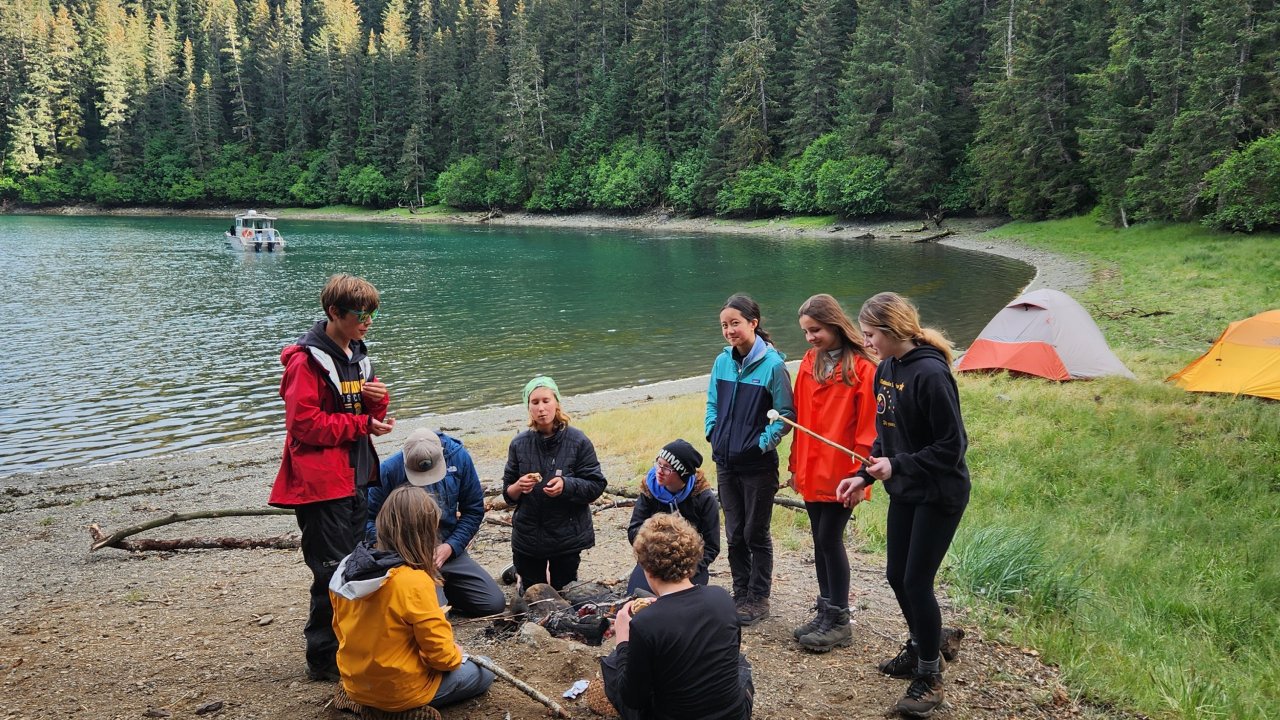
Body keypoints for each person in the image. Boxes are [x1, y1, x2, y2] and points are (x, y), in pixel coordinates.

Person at [836, 292, 970, 718]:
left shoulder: (931, 373)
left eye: (872, 334)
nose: (867, 341)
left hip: (940, 492)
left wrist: (898, 465)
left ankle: (930, 675)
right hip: (908, 488)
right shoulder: (885, 369)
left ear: (894, 332)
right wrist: (862, 473)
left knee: (916, 581)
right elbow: (885, 435)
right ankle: (924, 644)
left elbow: (953, 446)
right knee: (896, 574)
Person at [269, 272, 394, 682]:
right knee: (331, 572)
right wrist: (360, 425)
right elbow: (304, 426)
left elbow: (361, 414)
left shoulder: (357, 354)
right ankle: (324, 660)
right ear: (333, 312)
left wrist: (378, 405)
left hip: (355, 478)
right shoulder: (305, 362)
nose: (368, 321)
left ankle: (350, 647)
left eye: (372, 313)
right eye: (361, 313)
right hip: (322, 486)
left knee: (354, 566)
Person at [330, 486, 495, 718]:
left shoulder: (347, 566)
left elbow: (339, 628)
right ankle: (398, 709)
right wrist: (456, 654)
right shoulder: (413, 581)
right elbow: (440, 656)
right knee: (484, 670)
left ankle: (366, 699)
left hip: (355, 680)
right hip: (401, 689)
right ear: (425, 532)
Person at [789, 293, 878, 652]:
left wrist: (861, 475)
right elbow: (800, 420)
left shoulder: (863, 369)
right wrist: (795, 464)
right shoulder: (810, 362)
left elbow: (869, 430)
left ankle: (840, 619)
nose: (810, 338)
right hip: (812, 468)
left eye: (816, 330)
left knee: (829, 540)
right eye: (806, 332)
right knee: (818, 539)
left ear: (835, 325)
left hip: (843, 473)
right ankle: (826, 610)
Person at [602, 514, 754, 720]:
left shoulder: (645, 623)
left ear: (646, 567)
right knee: (739, 663)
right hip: (735, 714)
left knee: (613, 666)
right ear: (692, 558)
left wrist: (623, 640)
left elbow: (633, 698)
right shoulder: (722, 598)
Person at [705, 293, 794, 625]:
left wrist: (760, 444)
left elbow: (784, 416)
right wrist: (713, 431)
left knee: (755, 532)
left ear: (753, 323)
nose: (729, 331)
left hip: (758, 466)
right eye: (724, 325)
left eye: (735, 324)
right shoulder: (722, 362)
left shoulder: (773, 366)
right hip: (726, 463)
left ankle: (759, 597)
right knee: (734, 533)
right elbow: (712, 402)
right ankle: (740, 593)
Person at [367, 428, 506, 618]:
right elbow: (367, 521)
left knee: (493, 604)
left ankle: (448, 589)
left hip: (448, 547)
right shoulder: (389, 470)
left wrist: (451, 546)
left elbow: (473, 510)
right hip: (408, 556)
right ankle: (434, 594)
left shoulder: (459, 458)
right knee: (435, 617)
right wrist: (400, 553)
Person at [502, 376, 607, 591]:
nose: (541, 408)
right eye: (535, 402)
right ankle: (520, 578)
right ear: (528, 407)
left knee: (564, 592)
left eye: (546, 401)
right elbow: (508, 494)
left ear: (557, 402)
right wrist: (518, 487)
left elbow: (596, 484)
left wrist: (566, 485)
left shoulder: (578, 441)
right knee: (534, 594)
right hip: (528, 537)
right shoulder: (519, 444)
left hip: (566, 537)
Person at [625, 439, 720, 594]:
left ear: (683, 473)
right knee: (637, 598)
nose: (660, 471)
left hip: (689, 565)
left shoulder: (703, 497)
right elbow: (633, 530)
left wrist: (690, 569)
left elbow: (712, 545)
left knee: (679, 603)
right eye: (659, 464)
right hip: (652, 560)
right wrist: (656, 540)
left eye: (667, 468)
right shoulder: (649, 489)